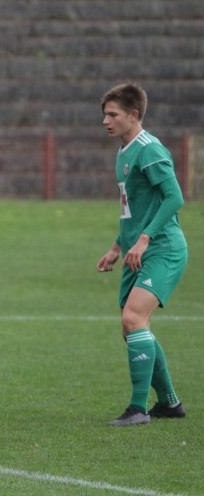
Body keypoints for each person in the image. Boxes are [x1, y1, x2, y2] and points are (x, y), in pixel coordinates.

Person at [96, 82, 188, 426]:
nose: (106, 121)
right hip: (137, 250)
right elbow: (132, 208)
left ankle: (137, 409)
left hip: (163, 248)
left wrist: (145, 238)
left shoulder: (149, 149)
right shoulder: (124, 150)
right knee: (134, 327)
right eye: (104, 114)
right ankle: (169, 403)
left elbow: (174, 198)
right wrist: (118, 246)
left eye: (112, 114)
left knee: (133, 320)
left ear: (134, 115)